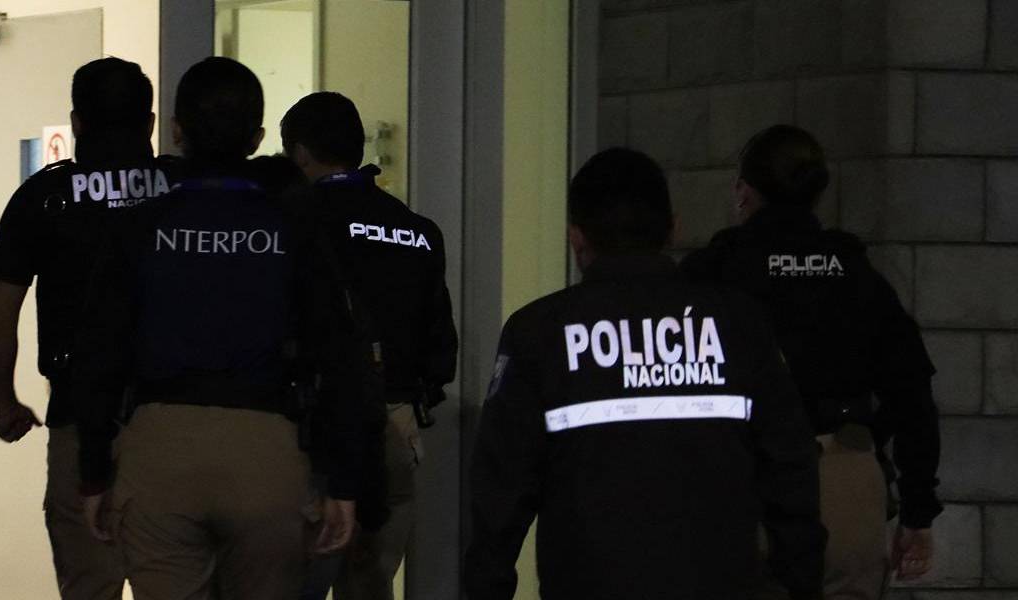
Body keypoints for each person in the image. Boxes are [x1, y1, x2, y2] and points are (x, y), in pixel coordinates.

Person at [465, 147, 826, 600]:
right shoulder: (737, 323)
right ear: (674, 228)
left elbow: (501, 489)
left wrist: (486, 587)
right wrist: (799, 581)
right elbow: (790, 468)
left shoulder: (538, 332)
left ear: (576, 237)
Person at [71, 57, 366, 599]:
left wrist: (92, 472)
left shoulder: (140, 226)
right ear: (257, 138)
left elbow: (99, 354)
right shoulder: (294, 227)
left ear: (176, 130)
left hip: (159, 449)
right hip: (268, 450)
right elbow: (340, 354)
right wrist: (344, 480)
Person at [681, 124, 942, 599]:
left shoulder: (712, 272)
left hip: (737, 481)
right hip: (843, 477)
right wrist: (917, 510)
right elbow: (912, 393)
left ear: (743, 192)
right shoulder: (857, 273)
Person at [0, 57, 176, 600]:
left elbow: (0, 312)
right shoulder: (182, 187)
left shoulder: (43, 196)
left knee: (90, 583)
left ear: (77, 123)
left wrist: (5, 401)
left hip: (78, 412)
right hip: (174, 416)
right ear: (150, 122)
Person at [281, 92, 458, 600]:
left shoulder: (297, 221)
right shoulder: (417, 231)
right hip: (395, 422)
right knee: (371, 583)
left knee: (293, 582)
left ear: (300, 153)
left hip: (313, 424)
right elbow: (440, 345)